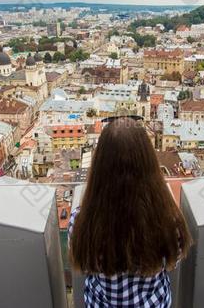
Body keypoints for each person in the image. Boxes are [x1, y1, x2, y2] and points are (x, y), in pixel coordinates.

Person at [69, 117, 193, 307]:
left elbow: (85, 265)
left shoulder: (81, 222)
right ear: (149, 163)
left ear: (100, 165)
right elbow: (173, 260)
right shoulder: (169, 221)